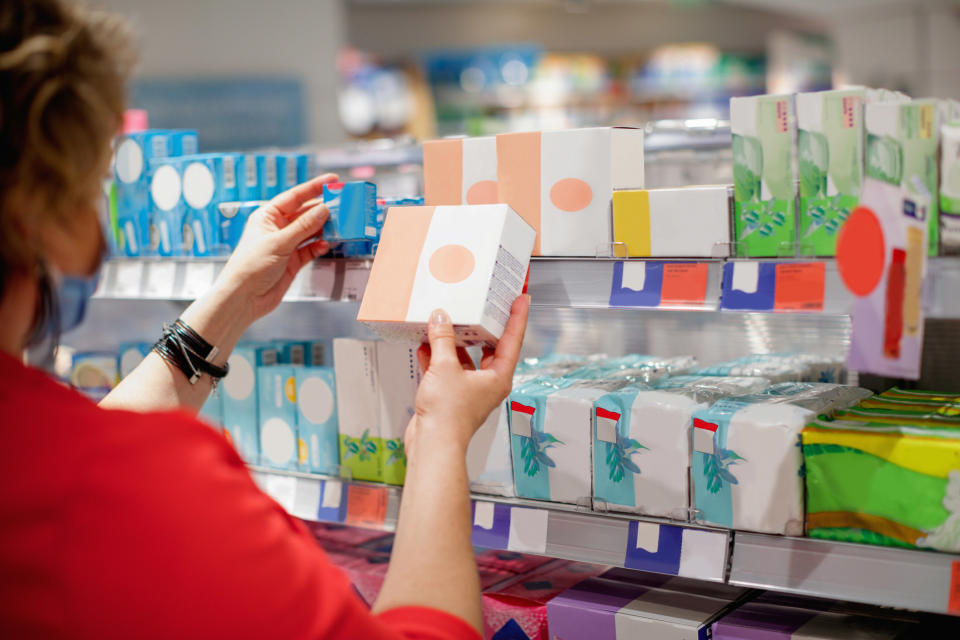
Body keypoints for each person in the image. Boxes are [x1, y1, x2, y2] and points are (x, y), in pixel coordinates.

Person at [0, 1, 530, 638]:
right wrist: (442, 437)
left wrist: (231, 303)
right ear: (42, 214)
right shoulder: (127, 489)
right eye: (93, 192)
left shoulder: (48, 469)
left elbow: (72, 456)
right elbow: (95, 482)